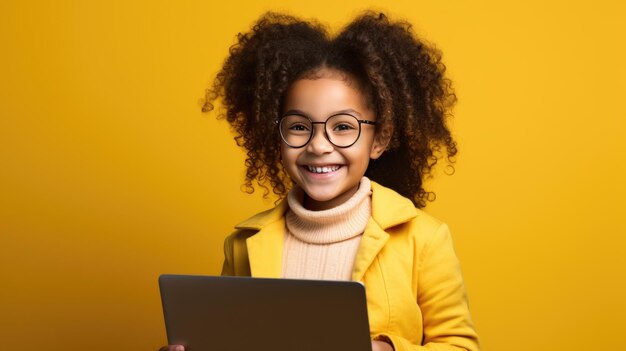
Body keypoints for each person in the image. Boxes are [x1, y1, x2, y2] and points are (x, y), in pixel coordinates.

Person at [164, 10, 479, 351]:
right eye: (299, 126)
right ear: (277, 136)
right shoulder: (243, 245)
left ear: (379, 139)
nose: (318, 145)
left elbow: (459, 346)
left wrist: (387, 350)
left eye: (343, 126)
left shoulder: (424, 239)